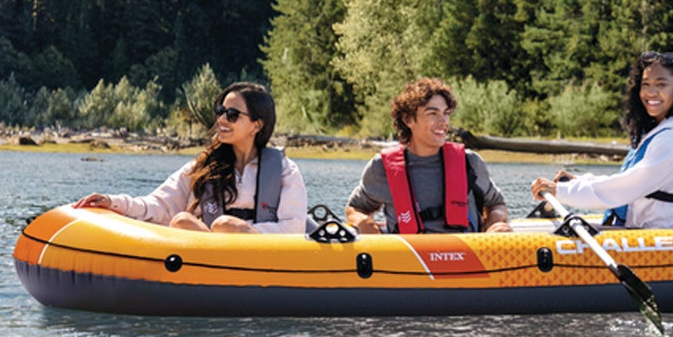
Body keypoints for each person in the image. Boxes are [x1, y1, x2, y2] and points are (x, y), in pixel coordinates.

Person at [531, 50, 673, 228]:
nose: (651, 92)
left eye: (661, 84)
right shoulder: (661, 131)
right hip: (653, 225)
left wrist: (562, 191)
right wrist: (579, 181)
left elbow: (624, 189)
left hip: (670, 229)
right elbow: (627, 180)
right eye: (646, 84)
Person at [78, 82, 308, 233]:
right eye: (220, 111)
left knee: (226, 225)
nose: (221, 120)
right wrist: (113, 202)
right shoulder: (201, 168)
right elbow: (158, 206)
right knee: (182, 221)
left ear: (256, 125)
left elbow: (293, 227)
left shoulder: (284, 171)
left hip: (258, 254)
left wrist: (241, 230)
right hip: (202, 256)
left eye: (232, 114)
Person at [344, 77, 512, 235]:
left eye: (446, 113)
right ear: (408, 120)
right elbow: (355, 209)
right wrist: (364, 223)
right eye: (432, 114)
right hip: (408, 254)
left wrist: (495, 222)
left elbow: (496, 204)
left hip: (467, 251)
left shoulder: (470, 162)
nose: (443, 122)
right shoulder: (381, 167)